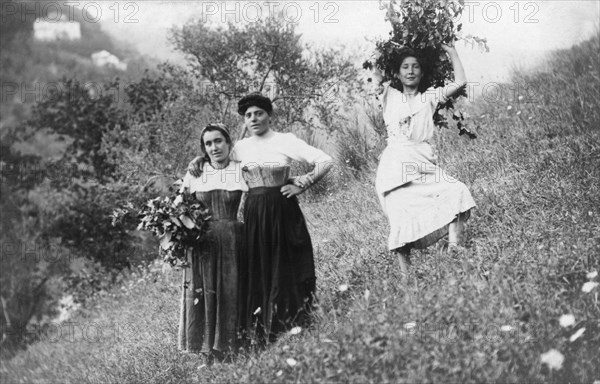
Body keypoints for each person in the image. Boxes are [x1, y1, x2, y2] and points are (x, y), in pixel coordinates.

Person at [188, 93, 333, 343]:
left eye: (258, 113)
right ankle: (268, 327)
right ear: (244, 120)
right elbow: (218, 158)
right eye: (248, 115)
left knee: (286, 262)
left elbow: (325, 160)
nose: (253, 119)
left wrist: (304, 182)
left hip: (282, 210)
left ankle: (297, 319)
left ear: (269, 115)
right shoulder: (241, 147)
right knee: (260, 266)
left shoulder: (285, 140)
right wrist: (200, 158)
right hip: (254, 213)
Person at [373, 44, 476, 273]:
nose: (410, 71)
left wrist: (452, 52)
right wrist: (381, 52)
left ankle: (454, 248)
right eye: (405, 67)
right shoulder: (389, 94)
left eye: (415, 67)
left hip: (421, 162)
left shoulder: (429, 97)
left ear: (422, 71)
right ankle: (407, 279)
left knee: (457, 190)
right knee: (400, 218)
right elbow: (375, 76)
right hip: (394, 166)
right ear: (397, 73)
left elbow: (460, 83)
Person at [178, 123, 247, 361]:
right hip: (203, 243)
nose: (214, 147)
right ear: (203, 148)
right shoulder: (196, 172)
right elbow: (181, 208)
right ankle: (207, 350)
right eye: (208, 143)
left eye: (218, 141)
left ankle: (232, 346)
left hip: (233, 240)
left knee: (231, 290)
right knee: (205, 291)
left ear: (229, 143)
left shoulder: (241, 169)